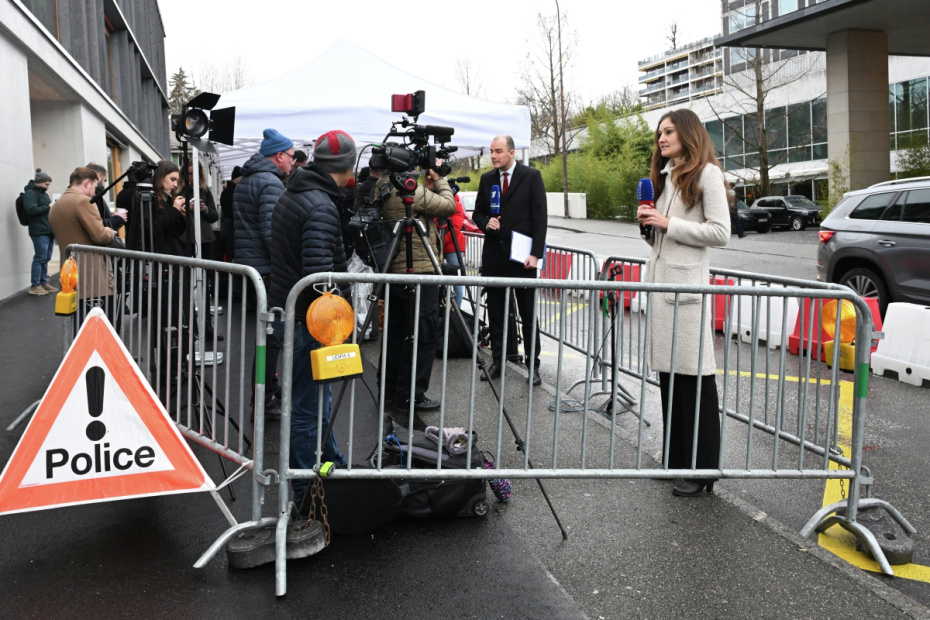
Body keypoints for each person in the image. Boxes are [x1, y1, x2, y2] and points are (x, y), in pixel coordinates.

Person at [636, 108, 730, 498]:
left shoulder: (706, 173)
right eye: (659, 132)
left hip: (687, 295)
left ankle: (704, 469)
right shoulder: (668, 177)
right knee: (670, 380)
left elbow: (720, 232)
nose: (661, 138)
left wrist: (667, 224)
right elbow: (663, 238)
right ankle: (676, 461)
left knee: (696, 382)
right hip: (662, 291)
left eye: (669, 131)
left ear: (687, 133)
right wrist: (649, 227)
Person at [269, 130, 355, 504]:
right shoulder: (319, 204)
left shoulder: (298, 190)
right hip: (310, 320)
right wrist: (336, 330)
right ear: (348, 167)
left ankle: (333, 465)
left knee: (318, 399)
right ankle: (305, 488)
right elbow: (321, 278)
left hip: (294, 313)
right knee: (307, 406)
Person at [376, 159, 456, 412]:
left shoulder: (383, 185)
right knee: (424, 335)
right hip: (420, 272)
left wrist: (428, 185)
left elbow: (422, 205)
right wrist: (440, 178)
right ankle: (412, 395)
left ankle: (389, 390)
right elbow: (448, 206)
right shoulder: (407, 189)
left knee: (396, 334)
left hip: (395, 273)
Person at [472, 134, 547, 386]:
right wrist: (486, 223)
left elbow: (540, 218)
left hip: (523, 259)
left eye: (499, 151)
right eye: (491, 151)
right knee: (496, 313)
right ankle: (497, 361)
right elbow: (478, 213)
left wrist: (536, 254)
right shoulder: (486, 179)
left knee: (527, 314)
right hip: (495, 257)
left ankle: (533, 366)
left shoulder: (531, 176)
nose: (493, 156)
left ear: (512, 153)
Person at [233, 128, 294, 416]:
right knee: (271, 339)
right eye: (291, 157)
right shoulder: (270, 184)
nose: (293, 163)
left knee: (265, 337)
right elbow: (273, 234)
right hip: (267, 271)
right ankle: (264, 397)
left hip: (252, 268)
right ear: (279, 156)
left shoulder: (248, 179)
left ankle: (265, 388)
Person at [47, 167, 117, 324]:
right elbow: (100, 236)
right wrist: (110, 231)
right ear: (87, 183)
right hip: (94, 279)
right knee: (101, 329)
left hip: (70, 275)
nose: (94, 192)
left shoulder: (57, 206)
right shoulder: (84, 202)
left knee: (79, 328)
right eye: (94, 186)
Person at [23, 169, 57, 296]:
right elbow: (31, 210)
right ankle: (35, 285)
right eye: (46, 184)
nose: (48, 187)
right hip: (38, 230)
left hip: (48, 230)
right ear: (39, 182)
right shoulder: (30, 193)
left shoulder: (43, 194)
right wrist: (49, 207)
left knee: (46, 258)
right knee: (40, 258)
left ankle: (43, 282)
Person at [178, 160, 219, 258]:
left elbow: (215, 216)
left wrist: (205, 209)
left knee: (207, 270)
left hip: (204, 238)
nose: (191, 177)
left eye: (194, 174)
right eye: (189, 174)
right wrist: (184, 209)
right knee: (186, 271)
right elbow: (172, 214)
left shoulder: (204, 190)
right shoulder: (178, 190)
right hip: (185, 238)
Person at [439, 191, 468, 307]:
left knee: (456, 281)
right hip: (441, 245)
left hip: (453, 247)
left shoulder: (455, 204)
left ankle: (457, 312)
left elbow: (455, 228)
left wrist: (438, 241)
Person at [86, 162, 125, 232]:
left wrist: (110, 216)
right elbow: (97, 226)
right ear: (98, 176)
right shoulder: (93, 196)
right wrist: (118, 219)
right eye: (104, 180)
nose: (104, 185)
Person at [218, 165, 242, 263]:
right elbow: (230, 212)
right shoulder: (231, 192)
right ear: (237, 177)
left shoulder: (228, 191)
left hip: (229, 230)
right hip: (231, 231)